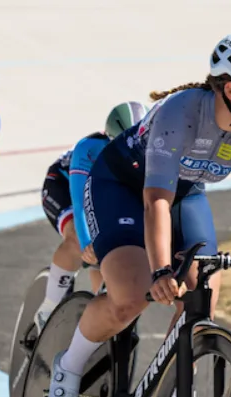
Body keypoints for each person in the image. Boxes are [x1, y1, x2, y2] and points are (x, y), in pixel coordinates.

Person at [46, 33, 231, 397]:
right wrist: (162, 269)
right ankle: (68, 367)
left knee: (201, 301)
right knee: (131, 296)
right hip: (122, 185)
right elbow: (155, 201)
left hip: (184, 193)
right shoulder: (181, 112)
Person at [32, 100, 150, 331]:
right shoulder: (90, 147)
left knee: (110, 271)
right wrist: (88, 243)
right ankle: (48, 308)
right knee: (79, 241)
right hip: (63, 185)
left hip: (105, 192)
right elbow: (80, 203)